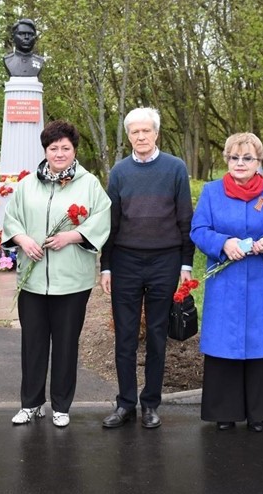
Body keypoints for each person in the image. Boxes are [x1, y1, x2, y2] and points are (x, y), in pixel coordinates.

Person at [3, 120, 110, 427]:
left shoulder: (89, 184)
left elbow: (102, 219)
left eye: (65, 148)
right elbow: (13, 219)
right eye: (53, 148)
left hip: (72, 282)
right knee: (33, 344)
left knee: (65, 344)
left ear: (74, 150)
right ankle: (31, 403)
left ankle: (61, 405)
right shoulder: (26, 185)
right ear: (45, 150)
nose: (59, 153)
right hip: (33, 281)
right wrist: (22, 239)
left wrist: (72, 236)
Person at [190, 132, 263, 432]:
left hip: (262, 279)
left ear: (258, 162)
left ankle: (258, 413)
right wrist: (223, 244)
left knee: (261, 345)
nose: (240, 163)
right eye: (234, 157)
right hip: (226, 281)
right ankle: (225, 411)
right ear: (226, 159)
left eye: (247, 158)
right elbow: (198, 230)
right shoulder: (211, 192)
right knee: (225, 344)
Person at [99, 107, 193, 429]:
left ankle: (150, 403)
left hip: (165, 261)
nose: (140, 136)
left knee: (156, 335)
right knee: (125, 336)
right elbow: (110, 223)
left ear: (156, 133)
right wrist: (106, 266)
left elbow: (185, 219)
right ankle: (125, 403)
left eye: (146, 131)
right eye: (134, 132)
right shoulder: (120, 172)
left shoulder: (175, 168)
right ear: (128, 136)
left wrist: (186, 264)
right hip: (126, 261)